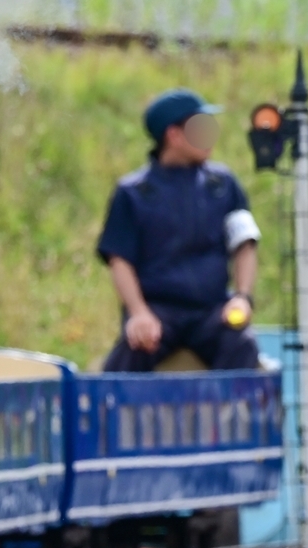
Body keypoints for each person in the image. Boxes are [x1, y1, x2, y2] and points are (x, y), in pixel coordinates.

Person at [97, 88, 262, 372]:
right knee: (127, 358)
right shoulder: (134, 193)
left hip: (211, 310)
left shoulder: (223, 185)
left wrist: (242, 297)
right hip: (159, 310)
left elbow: (244, 244)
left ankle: (228, 416)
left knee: (241, 344)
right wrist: (138, 313)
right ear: (173, 135)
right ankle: (100, 414)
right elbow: (119, 260)